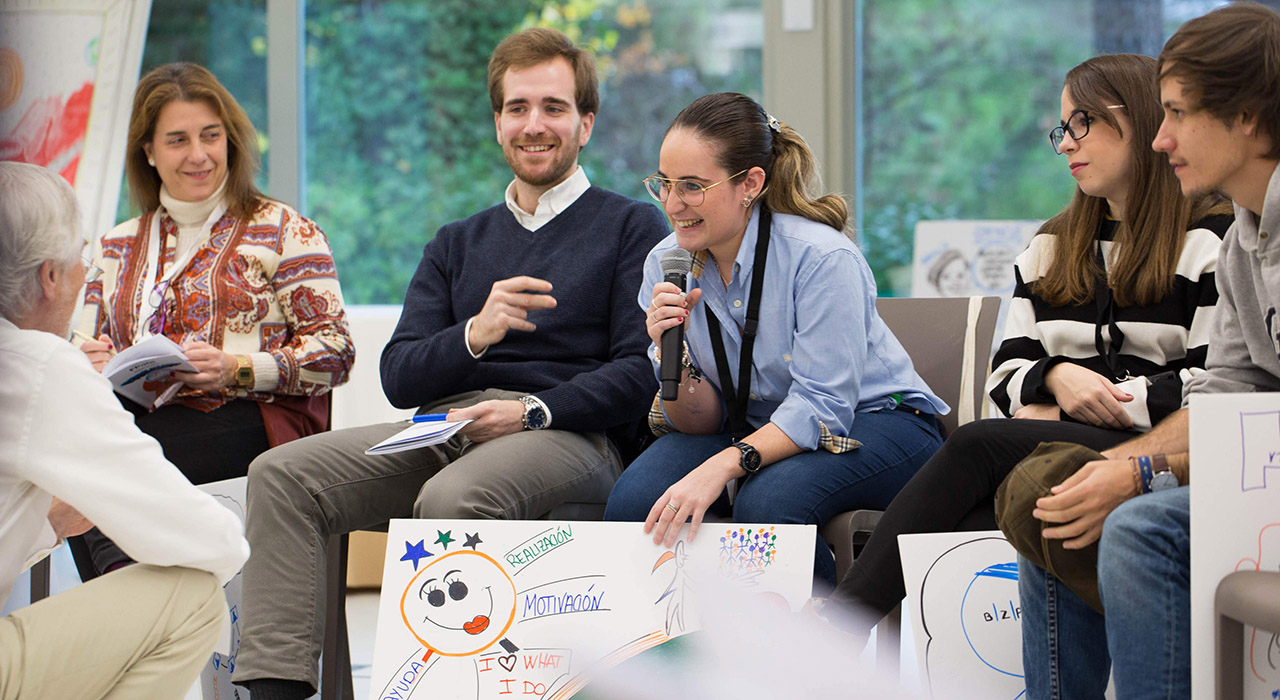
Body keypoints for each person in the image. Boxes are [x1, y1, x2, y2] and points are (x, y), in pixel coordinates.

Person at [230, 28, 668, 699]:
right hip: (447, 428)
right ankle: (275, 692)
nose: (534, 125)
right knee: (281, 475)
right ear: (497, 123)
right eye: (517, 108)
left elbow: (639, 375)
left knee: (455, 499)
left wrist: (529, 409)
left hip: (567, 433)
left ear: (586, 123)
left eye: (553, 108)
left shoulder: (632, 226)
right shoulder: (458, 241)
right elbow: (400, 375)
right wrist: (476, 333)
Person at [817, 53, 1231, 639]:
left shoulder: (1210, 240)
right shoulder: (1051, 246)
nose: (1066, 144)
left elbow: (1213, 383)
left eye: (1082, 122)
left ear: (1138, 118)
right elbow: (1005, 374)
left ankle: (837, 628)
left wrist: (1098, 400)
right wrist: (1059, 376)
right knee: (981, 505)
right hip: (1057, 448)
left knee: (976, 447)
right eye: (1062, 129)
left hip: (1159, 453)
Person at [1014, 5, 1280, 697]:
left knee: (1138, 528)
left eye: (1177, 113)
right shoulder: (1247, 240)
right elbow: (1225, 394)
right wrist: (1113, 469)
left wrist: (1139, 478)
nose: (1161, 140)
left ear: (1247, 115)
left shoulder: (1218, 240)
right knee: (1065, 502)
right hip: (1259, 472)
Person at [602, 92, 949, 587]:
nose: (673, 205)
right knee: (636, 501)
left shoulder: (821, 258)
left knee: (770, 501)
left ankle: (818, 653)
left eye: (693, 187)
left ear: (750, 183)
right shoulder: (665, 262)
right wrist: (670, 355)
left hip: (877, 422)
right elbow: (699, 422)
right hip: (751, 424)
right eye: (664, 184)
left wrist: (724, 466)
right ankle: (674, 655)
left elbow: (824, 407)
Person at [74, 62, 355, 577]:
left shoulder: (285, 230)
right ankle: (130, 594)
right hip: (140, 425)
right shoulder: (114, 246)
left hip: (249, 422)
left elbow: (336, 352)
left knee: (101, 462)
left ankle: (124, 594)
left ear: (231, 141)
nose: (199, 154)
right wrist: (87, 361)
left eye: (211, 136)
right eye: (178, 140)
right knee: (82, 443)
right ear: (149, 152)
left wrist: (236, 368)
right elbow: (86, 348)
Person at [0, 161, 249, 700]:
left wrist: (48, 523)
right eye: (79, 262)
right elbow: (210, 542)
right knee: (193, 595)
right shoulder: (36, 364)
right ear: (49, 276)